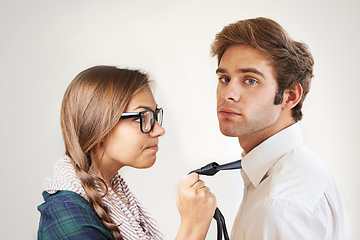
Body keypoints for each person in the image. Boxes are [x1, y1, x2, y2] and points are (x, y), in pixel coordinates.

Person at [37, 65, 216, 240]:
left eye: (154, 115)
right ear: (99, 125)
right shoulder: (67, 215)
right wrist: (193, 227)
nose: (159, 130)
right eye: (143, 117)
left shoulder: (116, 198)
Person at [210, 17, 350, 239]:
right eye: (225, 78)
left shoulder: (281, 206)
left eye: (250, 80)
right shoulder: (290, 174)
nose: (228, 94)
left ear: (290, 96)